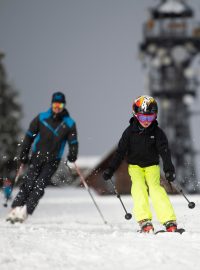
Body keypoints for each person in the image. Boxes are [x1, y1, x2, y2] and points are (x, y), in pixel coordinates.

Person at [103, 95, 178, 233]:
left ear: (155, 116)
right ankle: (144, 220)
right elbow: (120, 152)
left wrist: (169, 169)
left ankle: (169, 220)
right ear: (136, 115)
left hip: (152, 166)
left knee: (155, 189)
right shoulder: (129, 132)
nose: (146, 121)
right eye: (143, 117)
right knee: (138, 188)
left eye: (150, 118)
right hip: (135, 167)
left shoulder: (157, 133)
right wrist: (110, 169)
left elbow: (165, 152)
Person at [6, 92, 78, 223]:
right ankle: (15, 209)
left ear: (64, 105)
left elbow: (73, 142)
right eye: (55, 104)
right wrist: (24, 153)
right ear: (51, 104)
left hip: (53, 160)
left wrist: (73, 154)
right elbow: (29, 136)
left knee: (39, 185)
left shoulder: (69, 123)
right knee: (28, 183)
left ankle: (26, 211)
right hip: (36, 156)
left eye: (60, 104)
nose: (57, 107)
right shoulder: (41, 118)